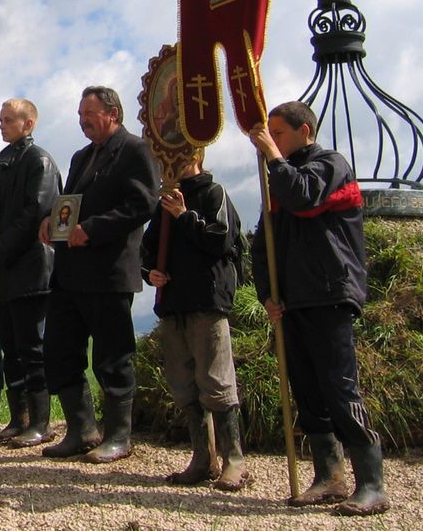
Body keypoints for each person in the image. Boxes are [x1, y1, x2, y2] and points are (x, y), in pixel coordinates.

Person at [249, 101, 389, 516]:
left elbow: (304, 198)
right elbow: (264, 242)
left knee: (338, 387)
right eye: (269, 134)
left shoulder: (330, 164)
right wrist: (267, 293)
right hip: (293, 298)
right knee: (307, 389)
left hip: (329, 292)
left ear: (305, 130)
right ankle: (329, 476)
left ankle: (372, 482)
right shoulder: (277, 177)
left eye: (280, 133)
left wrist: (273, 158)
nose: (272, 141)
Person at [39, 86, 159, 463]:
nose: (82, 120)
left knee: (112, 355)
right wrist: (52, 222)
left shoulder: (135, 150)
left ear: (112, 113)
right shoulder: (80, 157)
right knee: (60, 350)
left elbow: (143, 204)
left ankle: (118, 436)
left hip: (109, 271)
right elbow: (70, 204)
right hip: (70, 272)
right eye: (79, 114)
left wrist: (94, 228)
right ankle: (81, 429)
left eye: (88, 113)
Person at [140, 152, 249, 490]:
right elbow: (148, 248)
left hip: (206, 299)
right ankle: (203, 458)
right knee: (184, 383)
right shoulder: (164, 202)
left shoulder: (213, 193)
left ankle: (234, 460)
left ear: (196, 156)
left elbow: (219, 240)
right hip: (174, 303)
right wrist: (150, 273)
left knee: (216, 379)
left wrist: (184, 216)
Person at [0, 99, 63, 447]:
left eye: (8, 120)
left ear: (28, 124)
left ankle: (40, 421)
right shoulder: (6, 166)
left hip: (31, 267)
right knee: (10, 348)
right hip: (9, 273)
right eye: (0, 120)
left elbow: (35, 212)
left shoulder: (38, 160)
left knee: (32, 347)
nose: (1, 126)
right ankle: (19, 417)